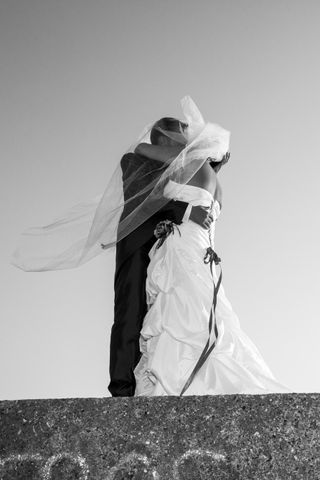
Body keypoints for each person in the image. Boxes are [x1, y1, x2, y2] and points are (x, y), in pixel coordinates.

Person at [131, 131, 289, 396]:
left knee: (181, 314)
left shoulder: (187, 160)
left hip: (185, 249)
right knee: (200, 315)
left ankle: (174, 387)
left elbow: (140, 149)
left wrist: (171, 150)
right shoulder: (213, 179)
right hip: (204, 253)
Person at [109, 117, 215, 397]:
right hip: (138, 244)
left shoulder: (181, 164)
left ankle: (151, 384)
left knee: (163, 318)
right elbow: (140, 199)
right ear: (164, 136)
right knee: (131, 314)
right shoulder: (134, 159)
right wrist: (185, 211)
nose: (186, 136)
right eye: (180, 131)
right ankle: (122, 390)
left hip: (168, 252)